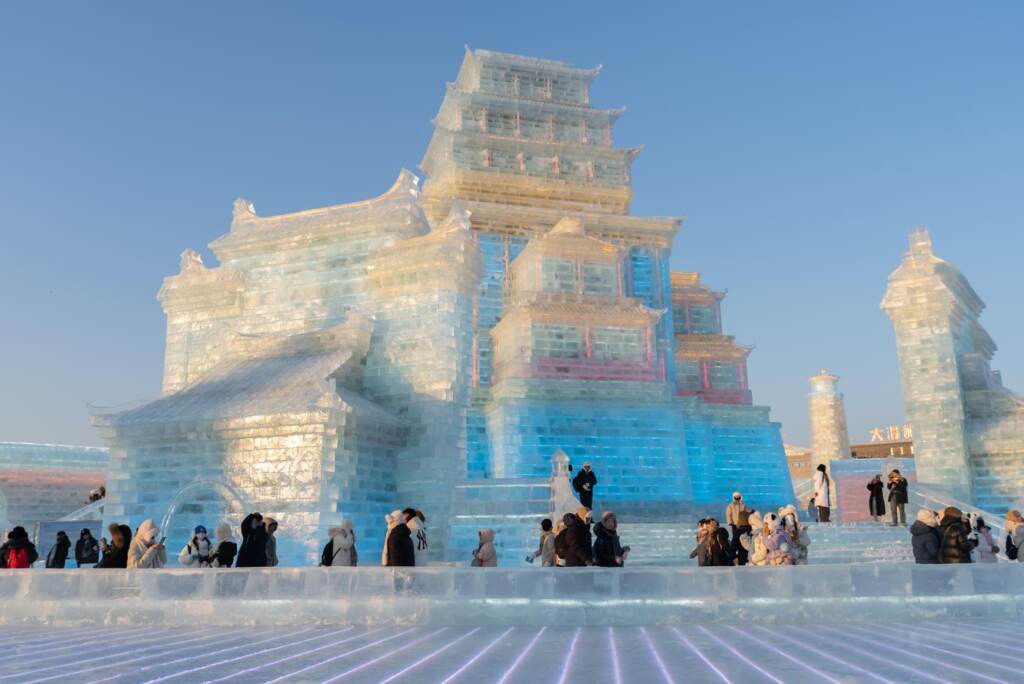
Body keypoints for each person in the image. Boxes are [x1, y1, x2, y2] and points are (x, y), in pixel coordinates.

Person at [725, 492, 752, 565]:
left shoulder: (743, 505)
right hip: (735, 525)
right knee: (735, 541)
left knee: (742, 541)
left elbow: (747, 511)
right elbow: (728, 515)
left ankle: (742, 559)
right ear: (733, 497)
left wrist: (752, 512)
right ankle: (732, 560)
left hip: (743, 525)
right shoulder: (730, 506)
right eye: (736, 497)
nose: (737, 499)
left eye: (738, 497)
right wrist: (731, 523)